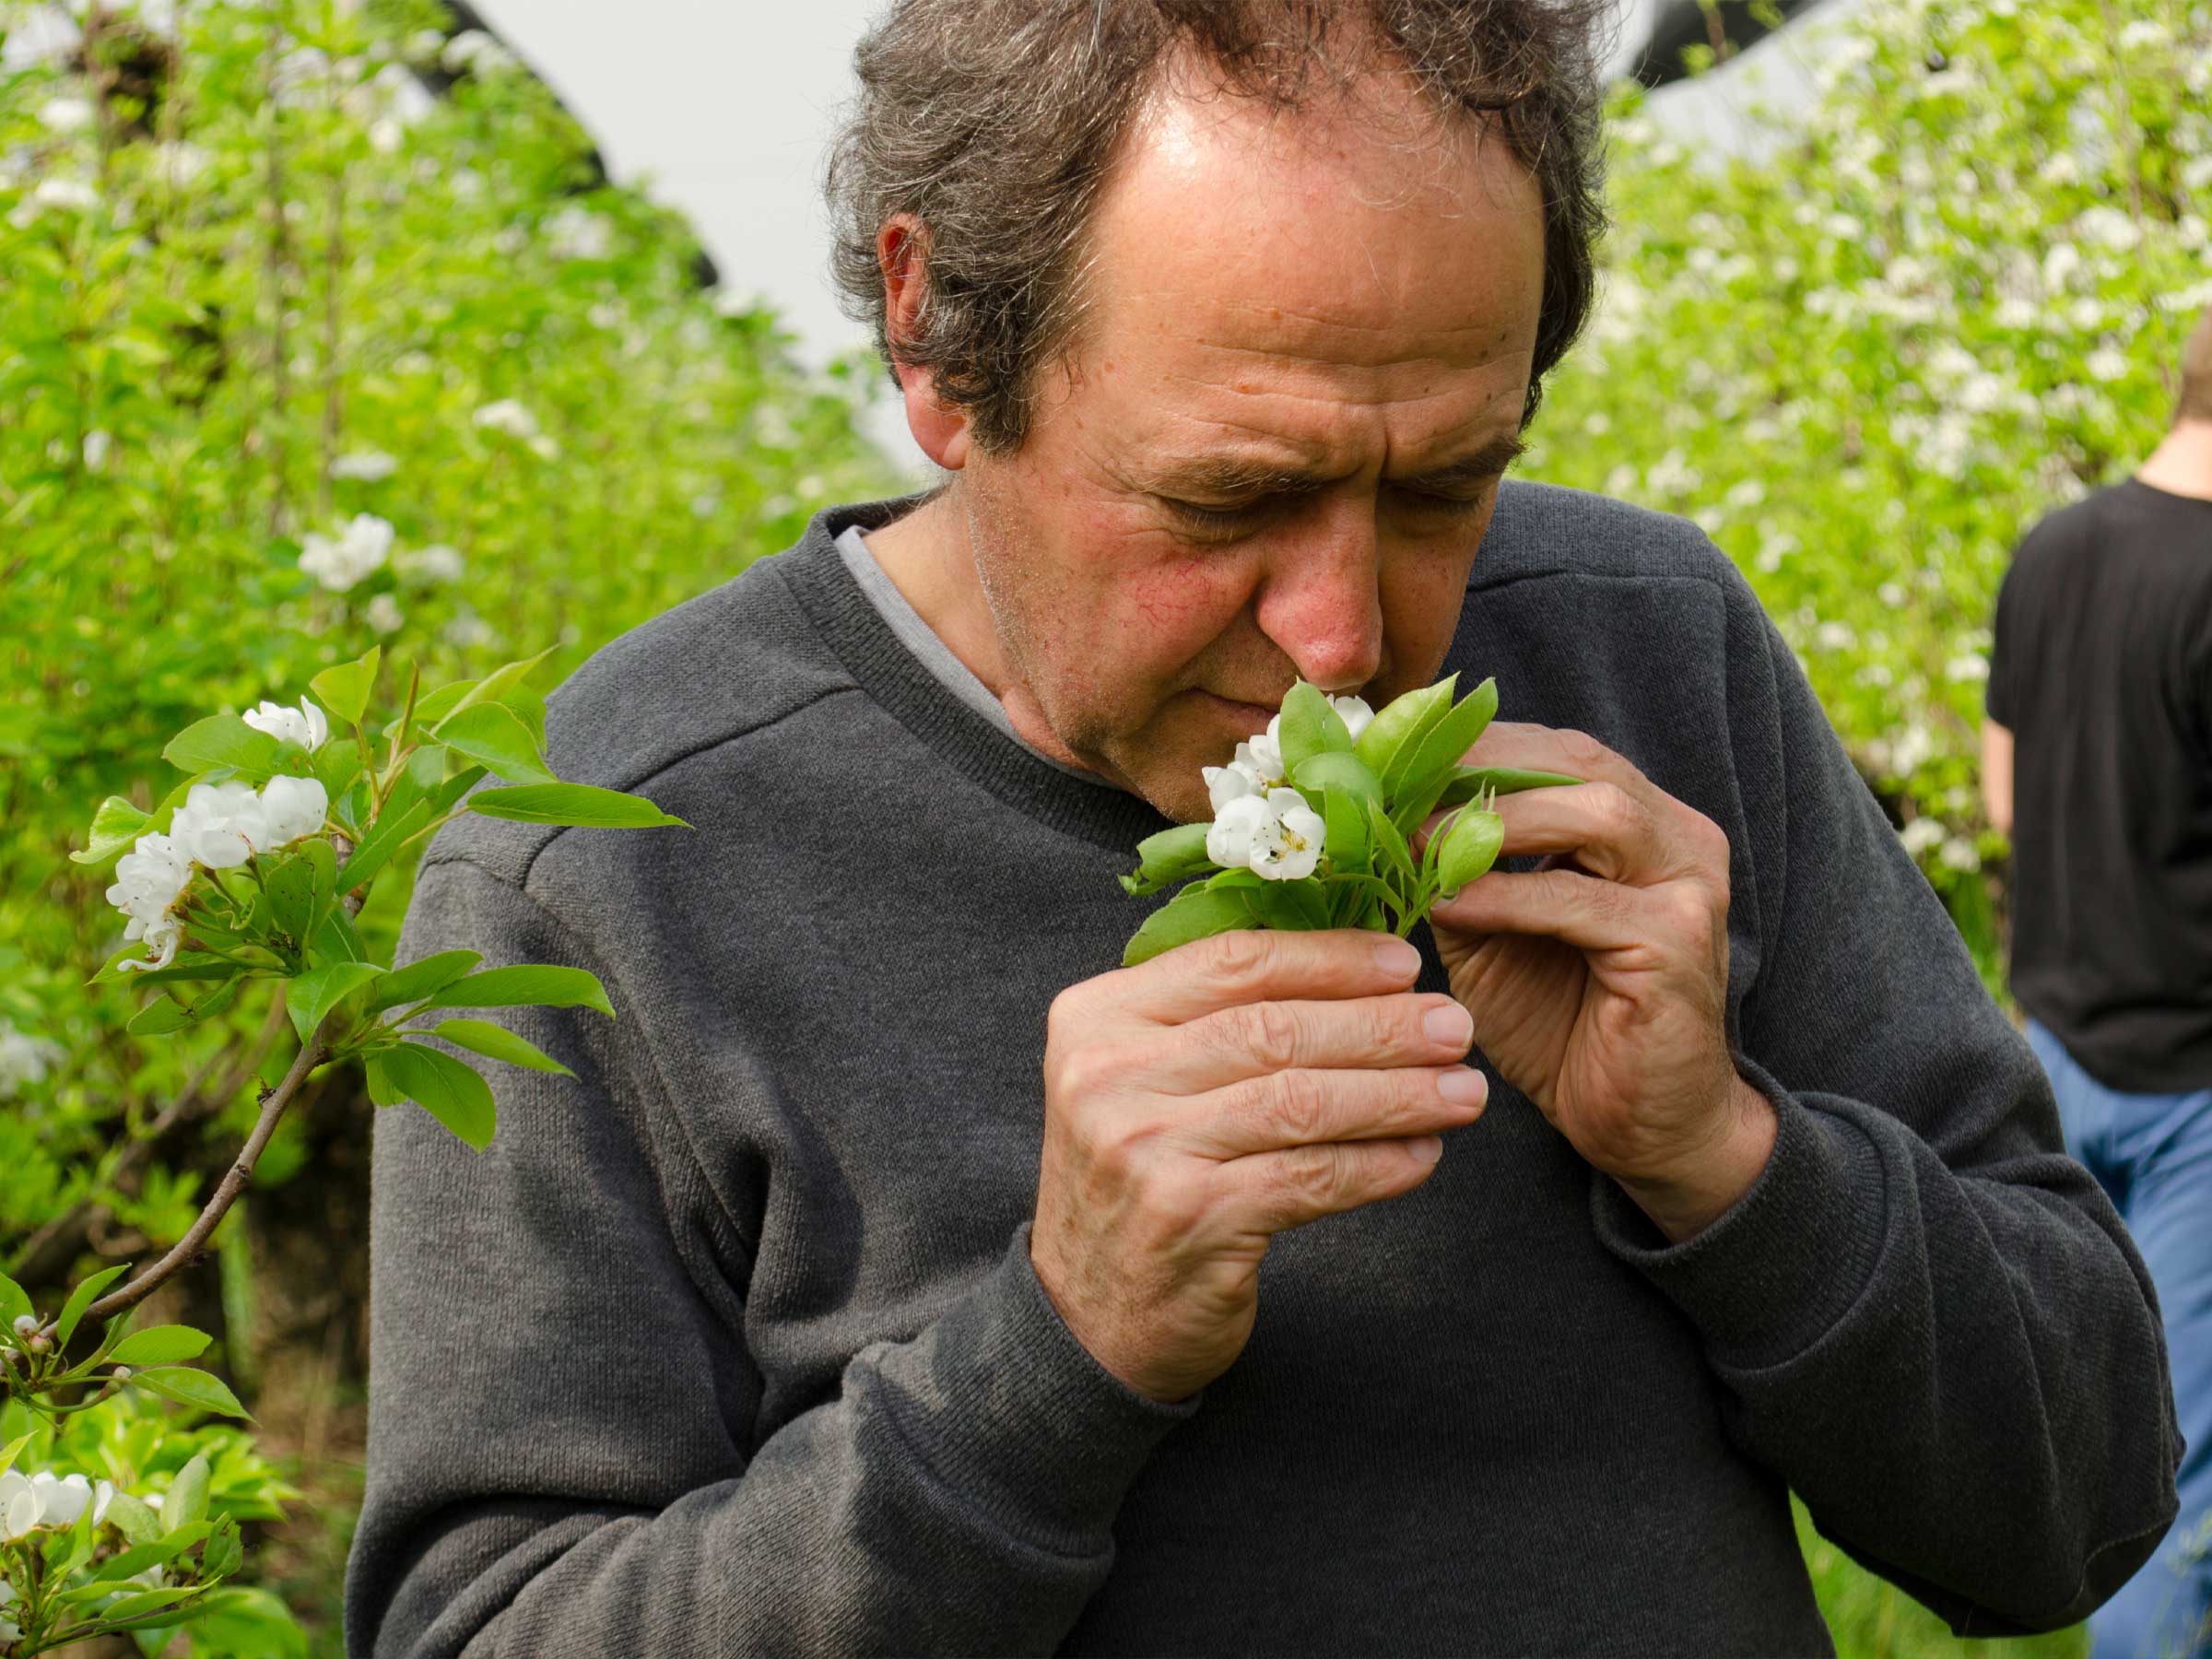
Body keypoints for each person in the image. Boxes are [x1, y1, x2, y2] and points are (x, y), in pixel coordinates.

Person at [345, 4, 2180, 1653]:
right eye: (1237, 495)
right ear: (937, 342)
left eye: (1447, 486)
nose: (1349, 638)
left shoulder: (1652, 652)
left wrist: (1728, 1158)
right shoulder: (603, 856)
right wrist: (1050, 1356)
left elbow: (2078, 1514)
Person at [1983, 305, 2212, 1659]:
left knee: (2091, 1434)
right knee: (2181, 1480)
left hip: (2053, 1055)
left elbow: (2007, 799)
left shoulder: (2053, 547)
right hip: (2194, 1089)